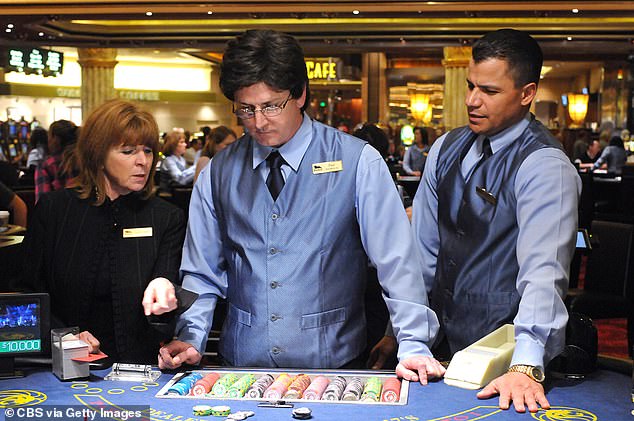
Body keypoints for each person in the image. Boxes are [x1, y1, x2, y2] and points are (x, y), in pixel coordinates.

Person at [155, 29, 443, 383]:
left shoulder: (359, 162)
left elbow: (397, 263)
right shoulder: (218, 172)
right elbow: (202, 272)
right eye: (246, 109)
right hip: (240, 366)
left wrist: (413, 343)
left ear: (301, 94)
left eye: (271, 106)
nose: (258, 122)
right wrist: (190, 336)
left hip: (334, 367)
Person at [408, 29, 580, 412]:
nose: (471, 100)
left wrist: (526, 365)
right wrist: (405, 335)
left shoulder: (545, 165)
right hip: (437, 350)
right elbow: (421, 254)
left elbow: (544, 273)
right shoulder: (445, 147)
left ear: (527, 93)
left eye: (489, 91)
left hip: (504, 356)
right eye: (470, 86)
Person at [20, 99, 186, 363]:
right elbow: (27, 294)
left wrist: (166, 297)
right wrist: (63, 336)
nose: (143, 161)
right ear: (98, 155)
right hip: (61, 368)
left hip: (140, 370)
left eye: (148, 150)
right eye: (128, 151)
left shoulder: (167, 217)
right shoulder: (54, 211)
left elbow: (166, 297)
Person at [34, 119, 79, 202]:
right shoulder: (87, 161)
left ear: (55, 138)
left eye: (49, 136)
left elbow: (42, 204)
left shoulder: (46, 165)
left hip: (59, 214)